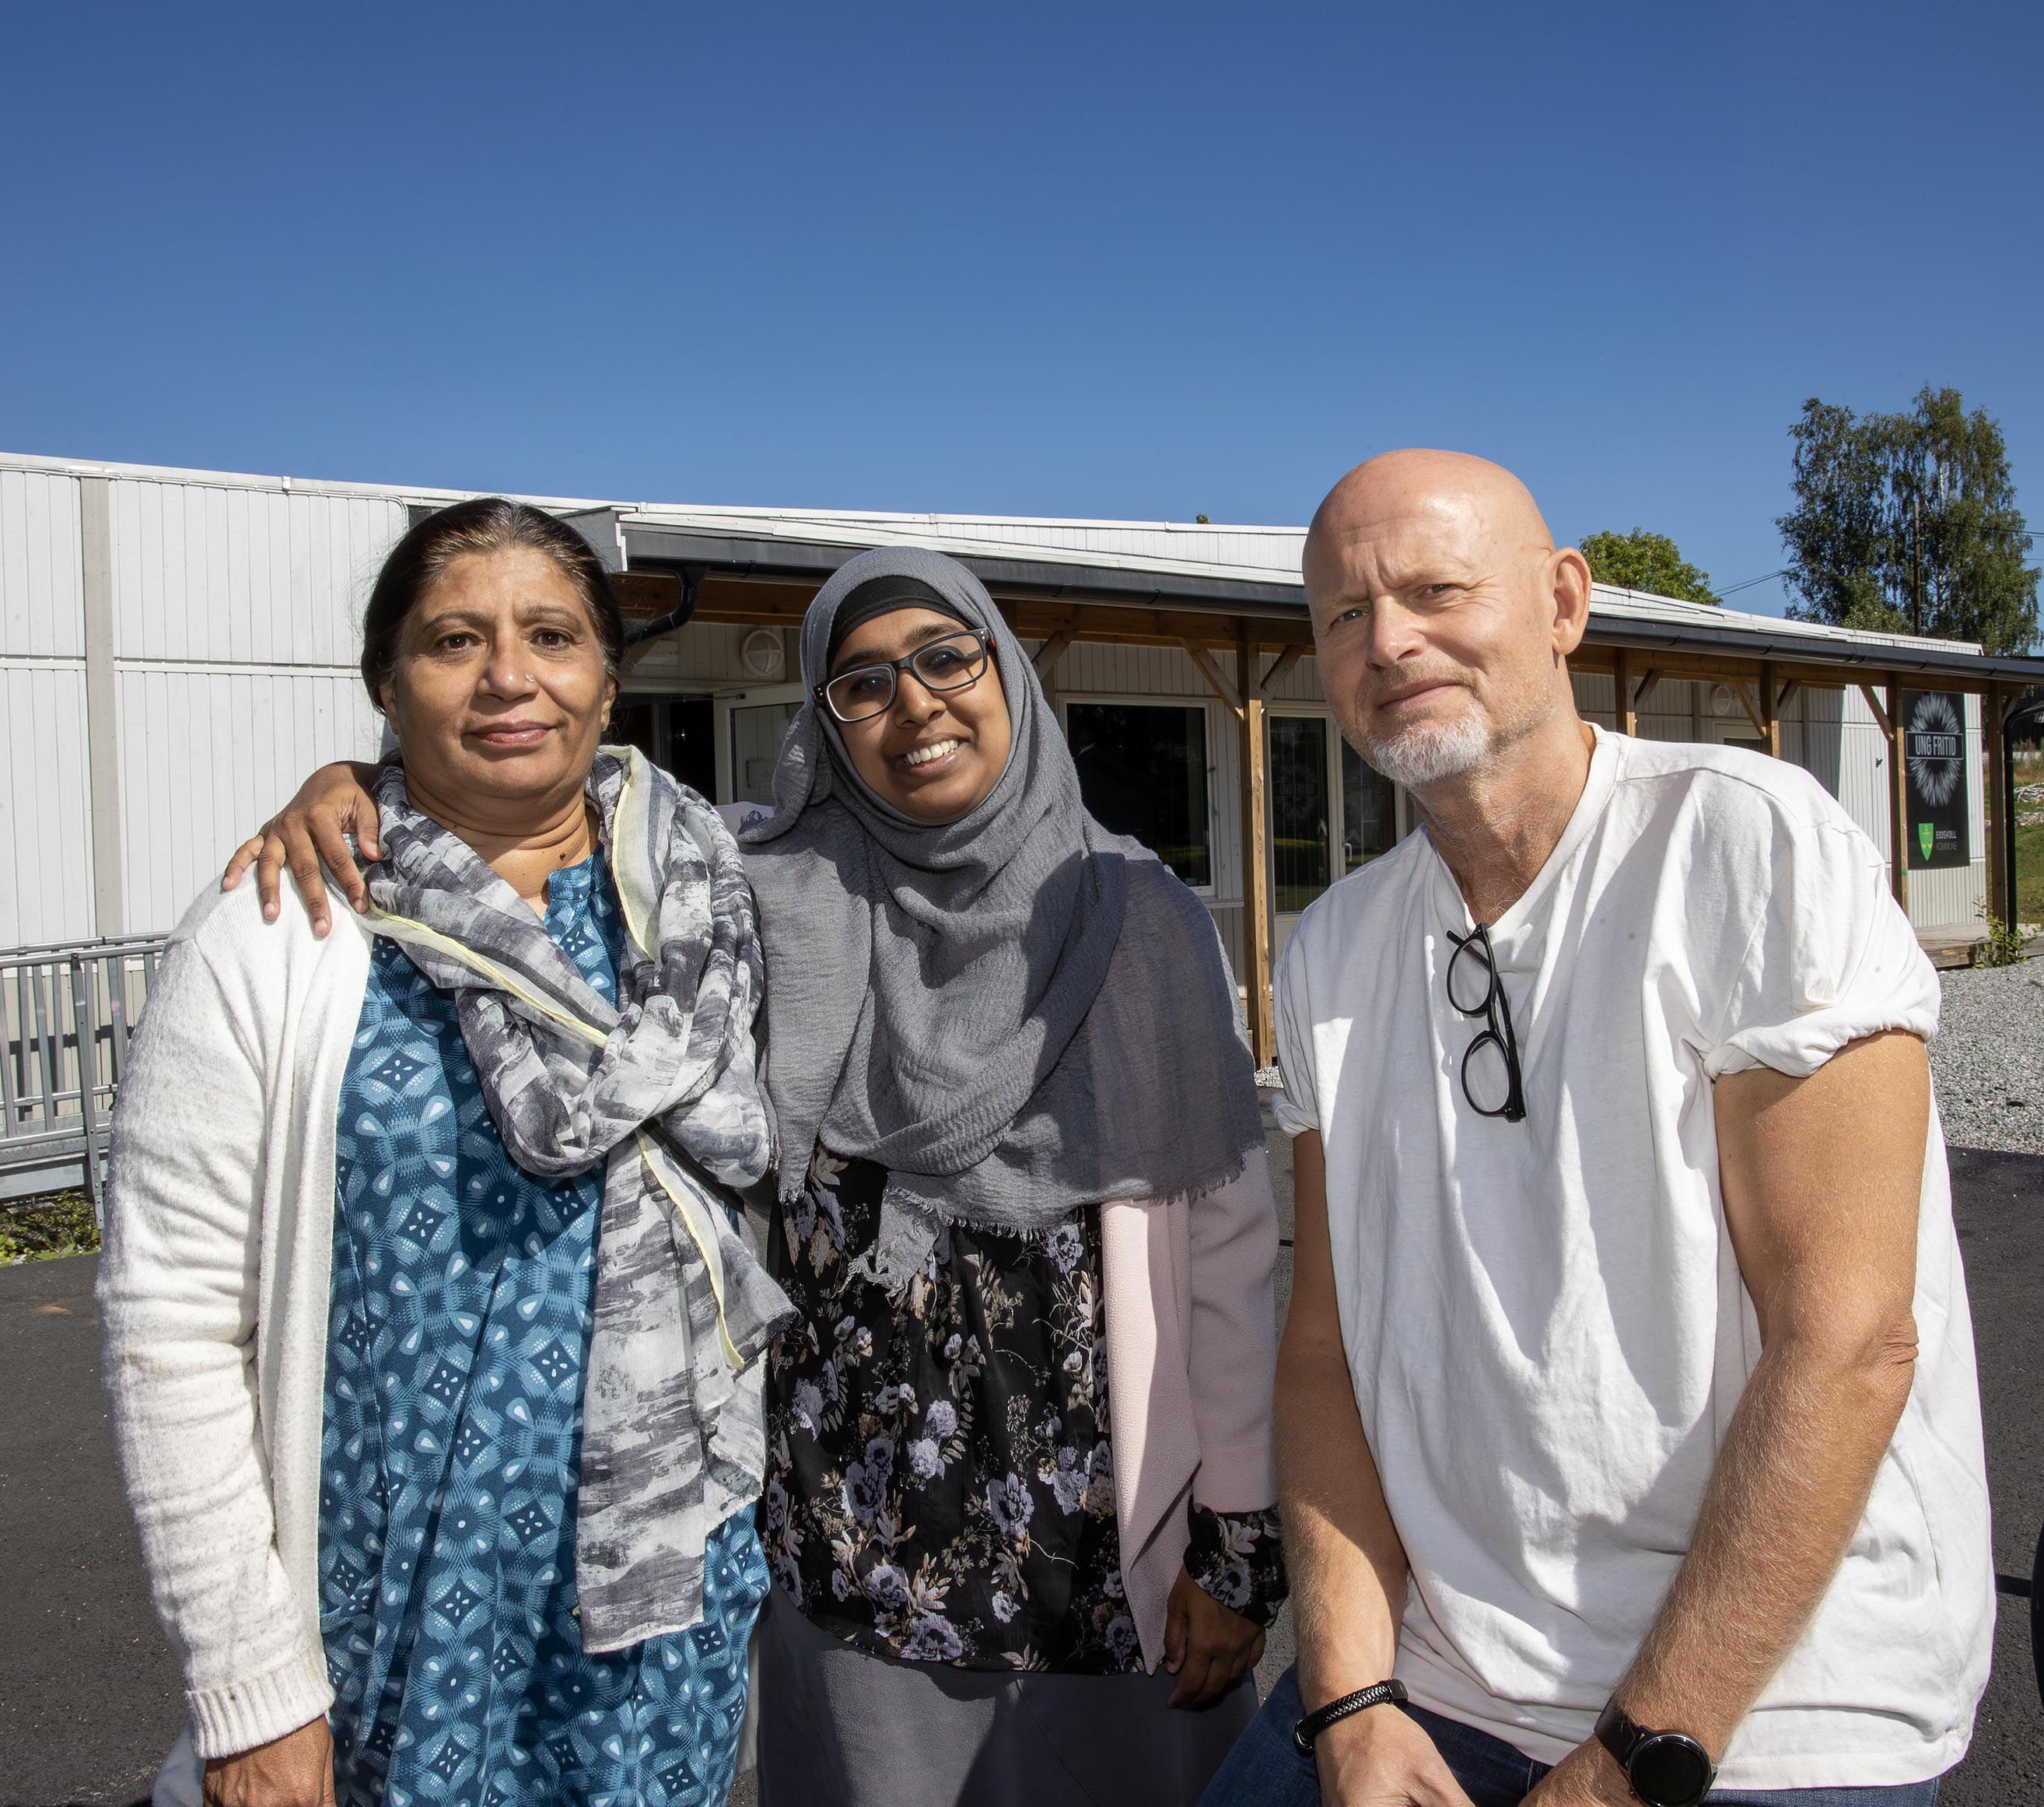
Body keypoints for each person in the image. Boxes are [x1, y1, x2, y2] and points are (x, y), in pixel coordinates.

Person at [232, 545, 1289, 1806]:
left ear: (1008, 673)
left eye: (947, 659)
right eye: (862, 682)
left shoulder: (1138, 914)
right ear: (826, 723)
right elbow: (562, 796)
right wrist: (362, 781)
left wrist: (1236, 1543)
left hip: (1116, 1562)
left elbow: (1227, 1262)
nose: (914, 704)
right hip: (849, 1556)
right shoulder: (756, 894)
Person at [1200, 451, 1990, 1807]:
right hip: (1444, 1676)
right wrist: (1349, 1698)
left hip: (1771, 1704)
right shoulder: (1333, 947)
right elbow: (1324, 1351)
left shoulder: (1746, 846)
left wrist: (1632, 1762)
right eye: (1344, 614)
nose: (1389, 642)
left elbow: (1850, 1342)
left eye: (1437, 591)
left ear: (1563, 603)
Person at [102, 497, 789, 1807]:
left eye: (552, 636)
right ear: (386, 682)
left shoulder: (711, 897)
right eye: (454, 641)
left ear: (607, 681)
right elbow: (170, 1324)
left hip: (663, 1617)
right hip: (383, 1639)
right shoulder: (280, 927)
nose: (509, 677)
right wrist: (250, 1689)